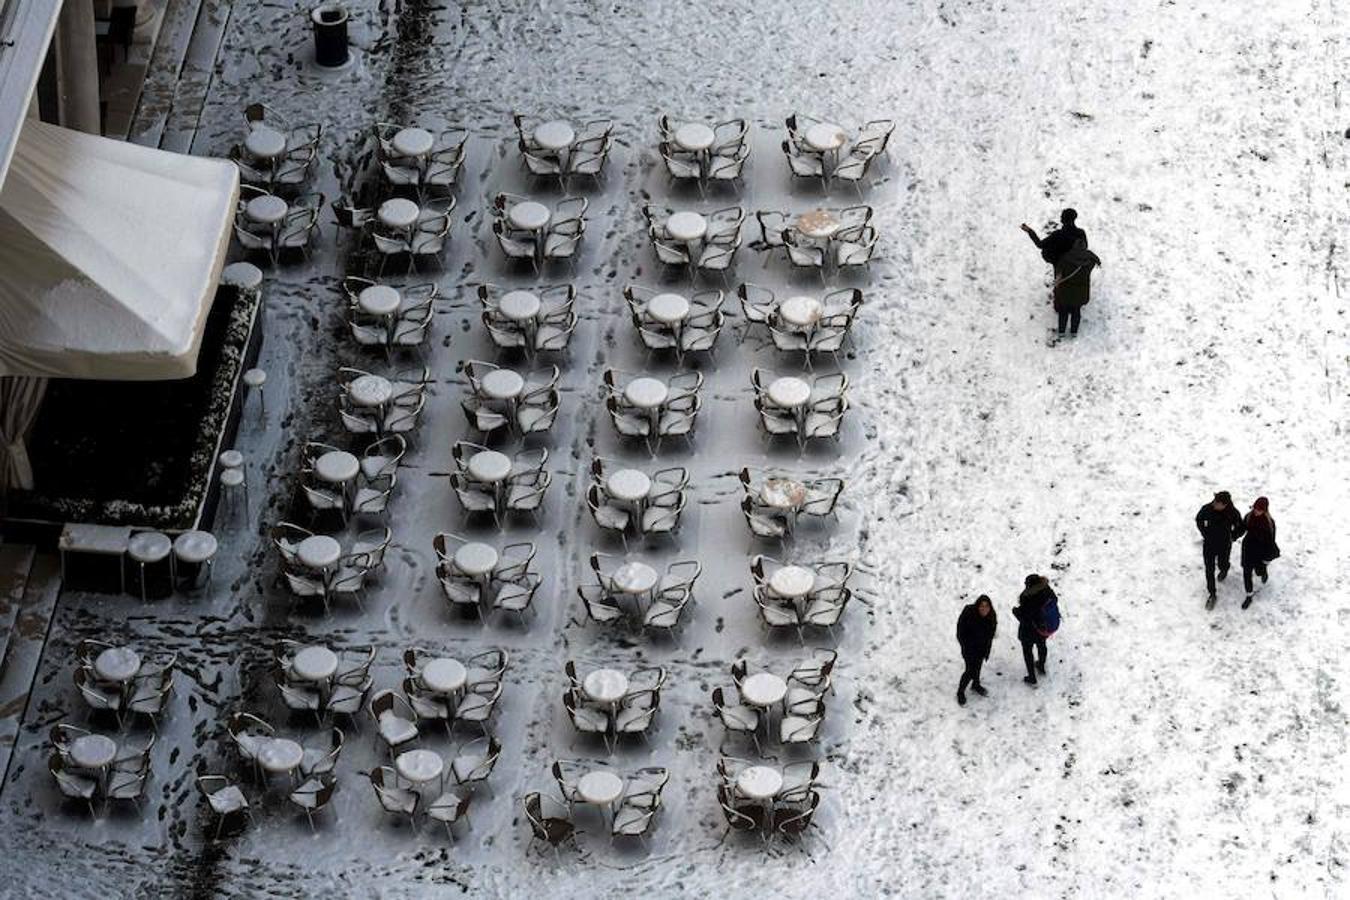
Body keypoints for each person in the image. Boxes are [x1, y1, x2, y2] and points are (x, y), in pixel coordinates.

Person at [1020, 209, 1102, 336]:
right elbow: (1084, 250)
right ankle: (1074, 329)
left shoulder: (1058, 234)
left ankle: (1061, 315)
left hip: (1060, 267)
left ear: (1062, 220)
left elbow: (1040, 244)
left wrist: (1030, 231)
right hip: (1079, 271)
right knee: (1076, 303)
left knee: (1062, 293)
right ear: (1074, 219)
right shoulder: (1081, 233)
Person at [1196, 491, 1245, 608]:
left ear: (1225, 505)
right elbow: (1199, 519)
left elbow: (1241, 527)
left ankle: (1224, 569)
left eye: (1217, 503)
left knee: (1223, 563)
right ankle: (1212, 593)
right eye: (1214, 501)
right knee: (1209, 569)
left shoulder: (1233, 513)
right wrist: (1205, 532)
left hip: (1224, 545)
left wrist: (1233, 536)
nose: (1214, 504)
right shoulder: (1207, 508)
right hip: (1209, 544)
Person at [1012, 574, 1056, 685]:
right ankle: (1041, 665)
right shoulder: (1047, 590)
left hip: (1028, 631)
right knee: (1042, 646)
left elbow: (1024, 617)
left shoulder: (1027, 597)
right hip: (1043, 629)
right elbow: (1055, 600)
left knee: (1027, 652)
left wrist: (1015, 612)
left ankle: (1032, 677)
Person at [956, 595, 997, 706]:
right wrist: (966, 647)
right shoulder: (969, 613)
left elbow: (990, 635)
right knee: (970, 670)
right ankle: (960, 692)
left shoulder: (992, 616)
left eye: (987, 606)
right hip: (968, 648)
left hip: (981, 648)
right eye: (981, 606)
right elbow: (960, 632)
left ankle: (976, 684)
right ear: (977, 606)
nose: (984, 609)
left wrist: (986, 650)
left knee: (978, 667)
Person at [1240, 497, 1279, 609]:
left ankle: (1263, 571)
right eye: (1255, 508)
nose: (1256, 511)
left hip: (1261, 551)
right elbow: (1242, 528)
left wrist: (1266, 558)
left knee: (1259, 571)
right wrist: (1233, 535)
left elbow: (1271, 541)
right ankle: (1249, 595)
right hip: (1248, 549)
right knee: (1246, 573)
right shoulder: (1249, 516)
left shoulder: (1269, 523)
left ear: (1265, 510)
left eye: (1259, 510)